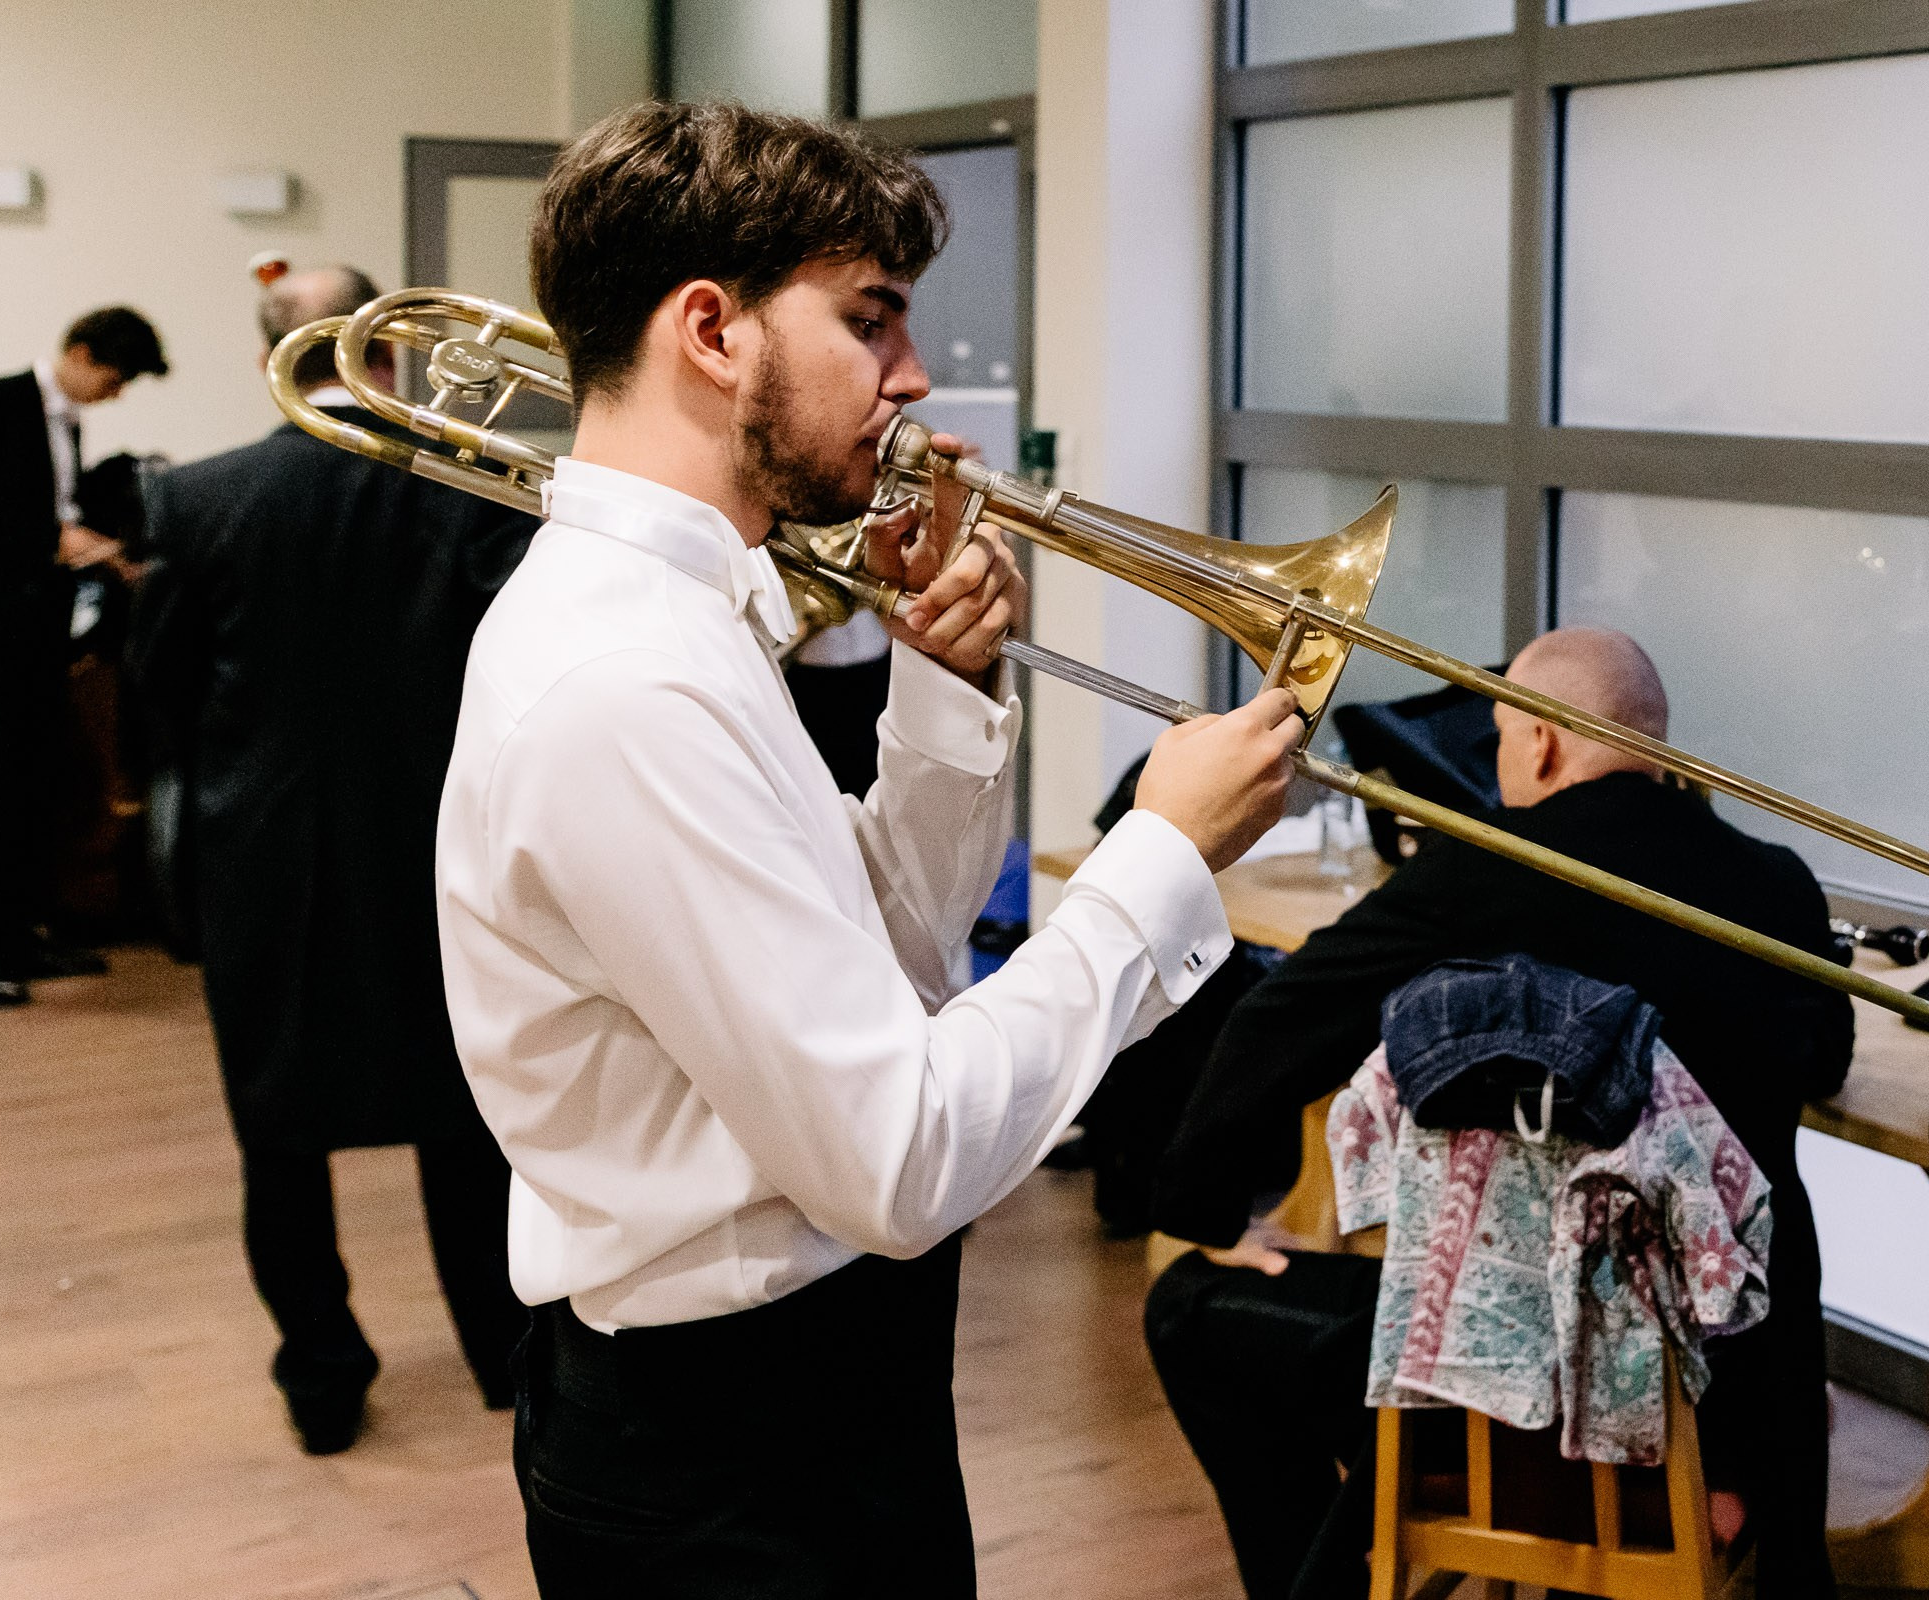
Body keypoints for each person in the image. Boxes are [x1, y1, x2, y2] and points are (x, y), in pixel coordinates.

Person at [434, 101, 1302, 1598]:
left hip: (813, 1393)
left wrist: (944, 692)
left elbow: (879, 969)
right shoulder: (629, 679)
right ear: (711, 330)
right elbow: (894, 1154)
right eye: (872, 320)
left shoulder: (685, 624)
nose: (912, 382)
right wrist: (1154, 860)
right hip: (725, 1446)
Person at [1143, 627, 1857, 1600]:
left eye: (1501, 740)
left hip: (1535, 1412)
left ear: (1545, 745)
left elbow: (1279, 1013)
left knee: (1189, 1311)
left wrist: (1202, 1212)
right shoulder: (1777, 882)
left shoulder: (1483, 870)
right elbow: (1828, 1053)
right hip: (1744, 1411)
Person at [127, 266, 539, 1454]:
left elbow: (161, 689)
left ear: (272, 345)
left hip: (266, 862)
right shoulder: (472, 494)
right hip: (435, 851)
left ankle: (322, 1375)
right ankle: (501, 1358)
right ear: (389, 350)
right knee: (467, 1121)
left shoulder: (201, 500)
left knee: (280, 1133)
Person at [0, 307, 167, 1005]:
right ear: (82, 352)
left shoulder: (64, 422)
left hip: (37, 627)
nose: (116, 392)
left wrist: (96, 548)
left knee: (34, 787)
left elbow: (43, 508)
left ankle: (18, 938)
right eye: (115, 376)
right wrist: (54, 540)